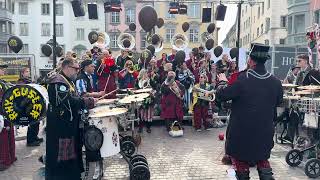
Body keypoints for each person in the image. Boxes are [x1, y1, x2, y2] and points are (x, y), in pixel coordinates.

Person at [216, 43, 283, 179]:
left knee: (241, 164)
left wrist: (222, 82)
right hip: (264, 133)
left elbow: (222, 95)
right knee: (263, 161)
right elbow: (278, 103)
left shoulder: (243, 79)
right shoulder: (276, 82)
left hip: (242, 134)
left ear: (251, 61)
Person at [45, 58, 96, 180]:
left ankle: (72, 175)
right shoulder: (57, 82)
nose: (78, 71)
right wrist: (86, 101)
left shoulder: (67, 81)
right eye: (76, 69)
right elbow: (67, 101)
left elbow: (74, 97)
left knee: (70, 153)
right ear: (67, 67)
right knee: (63, 156)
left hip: (69, 125)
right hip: (61, 127)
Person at [17, 68, 44, 146]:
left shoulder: (28, 80)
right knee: (32, 122)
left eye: (29, 71)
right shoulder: (21, 81)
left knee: (36, 122)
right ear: (22, 73)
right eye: (26, 72)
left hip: (33, 104)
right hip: (27, 105)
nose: (28, 73)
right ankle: (30, 140)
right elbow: (23, 93)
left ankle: (35, 137)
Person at [0, 64, 16, 171]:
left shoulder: (3, 83)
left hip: (7, 113)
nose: (3, 71)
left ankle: (10, 157)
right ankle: (3, 161)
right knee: (3, 138)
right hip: (1, 113)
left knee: (9, 135)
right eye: (1, 69)